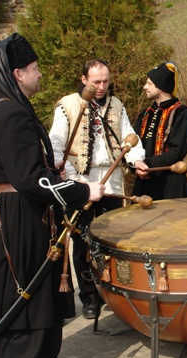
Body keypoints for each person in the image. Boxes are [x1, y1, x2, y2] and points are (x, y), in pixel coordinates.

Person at [0, 33, 105, 358]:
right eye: (33, 69)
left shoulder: (4, 107)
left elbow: (30, 170)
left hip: (23, 210)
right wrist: (82, 192)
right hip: (21, 216)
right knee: (25, 297)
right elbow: (30, 179)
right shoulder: (10, 112)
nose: (39, 74)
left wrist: (54, 172)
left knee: (38, 293)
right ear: (17, 73)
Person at [49, 59, 145, 320]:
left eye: (105, 81)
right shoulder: (67, 105)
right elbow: (56, 144)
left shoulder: (116, 104)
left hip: (111, 178)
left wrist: (137, 159)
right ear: (84, 80)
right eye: (96, 82)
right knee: (82, 241)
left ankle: (112, 293)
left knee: (111, 238)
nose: (102, 87)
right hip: (79, 177)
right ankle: (89, 297)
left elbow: (129, 136)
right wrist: (69, 178)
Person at [132, 61, 187, 201]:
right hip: (143, 184)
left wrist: (149, 165)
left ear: (160, 86)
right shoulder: (145, 114)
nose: (144, 87)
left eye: (149, 83)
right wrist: (136, 165)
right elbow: (133, 144)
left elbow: (177, 151)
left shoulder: (182, 113)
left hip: (170, 185)